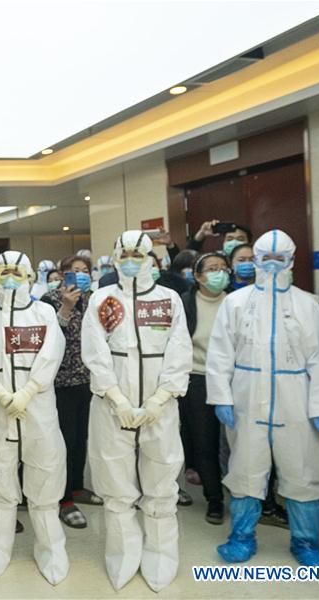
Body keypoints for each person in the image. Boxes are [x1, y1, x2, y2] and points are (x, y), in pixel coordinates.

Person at [206, 230, 319, 570]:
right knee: (245, 470)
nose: (271, 264)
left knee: (302, 471)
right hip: (247, 398)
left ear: (292, 261)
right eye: (264, 258)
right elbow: (220, 355)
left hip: (296, 400)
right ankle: (241, 537)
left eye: (279, 259)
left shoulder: (308, 304)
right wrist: (221, 397)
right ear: (255, 261)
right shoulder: (235, 303)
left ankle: (306, 542)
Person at [81, 230, 192, 592]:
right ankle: (123, 558)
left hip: (161, 409)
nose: (130, 259)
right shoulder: (102, 299)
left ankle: (161, 557)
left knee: (161, 487)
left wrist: (161, 399)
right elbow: (95, 354)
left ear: (150, 257)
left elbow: (180, 351)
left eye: (137, 253)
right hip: (112, 408)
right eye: (124, 252)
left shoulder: (169, 299)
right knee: (116, 488)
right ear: (115, 257)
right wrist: (117, 398)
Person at [0, 251, 69, 584]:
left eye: (16, 272)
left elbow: (52, 353)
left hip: (37, 408)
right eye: (3, 272)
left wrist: (27, 392)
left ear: (29, 277)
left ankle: (51, 551)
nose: (10, 278)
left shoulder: (45, 312)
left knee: (45, 476)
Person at [42, 255, 103, 529]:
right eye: (74, 271)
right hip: (60, 383)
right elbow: (48, 339)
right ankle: (64, 499)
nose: (80, 275)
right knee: (64, 441)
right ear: (62, 274)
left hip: (88, 381)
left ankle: (77, 486)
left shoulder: (95, 301)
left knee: (82, 439)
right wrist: (66, 308)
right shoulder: (49, 301)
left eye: (84, 271)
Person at [179, 252, 230, 525]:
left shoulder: (236, 302)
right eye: (211, 269)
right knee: (205, 443)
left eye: (223, 268)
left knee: (241, 442)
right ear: (197, 276)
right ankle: (214, 499)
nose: (219, 273)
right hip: (199, 379)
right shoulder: (186, 303)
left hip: (236, 380)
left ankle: (252, 498)